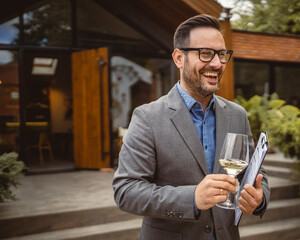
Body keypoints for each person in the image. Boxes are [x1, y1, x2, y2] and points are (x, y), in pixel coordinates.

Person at [113, 14, 270, 240]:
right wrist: (192, 198)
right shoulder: (147, 117)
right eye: (206, 53)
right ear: (179, 58)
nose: (216, 63)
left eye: (221, 54)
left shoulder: (237, 115)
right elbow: (126, 191)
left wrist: (259, 196)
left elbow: (255, 171)